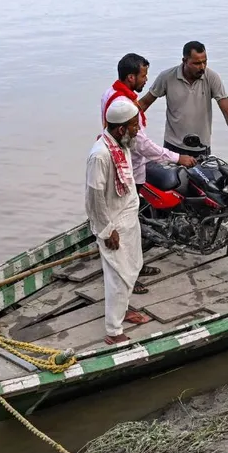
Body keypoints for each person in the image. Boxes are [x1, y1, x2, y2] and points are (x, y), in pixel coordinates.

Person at [101, 53, 197, 283]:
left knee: (132, 224)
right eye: (143, 76)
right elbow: (141, 144)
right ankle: (128, 276)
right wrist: (176, 157)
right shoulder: (123, 105)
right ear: (131, 77)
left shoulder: (111, 94)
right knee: (127, 226)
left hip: (128, 166)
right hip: (129, 171)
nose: (146, 80)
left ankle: (135, 266)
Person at [86, 99, 152, 344]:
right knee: (117, 276)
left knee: (132, 267)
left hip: (128, 218)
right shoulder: (100, 155)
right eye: (134, 125)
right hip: (112, 224)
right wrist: (106, 230)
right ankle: (114, 331)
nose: (138, 129)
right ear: (121, 128)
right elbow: (94, 196)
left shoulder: (121, 143)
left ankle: (124, 311)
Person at [138, 41, 228, 158]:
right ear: (184, 61)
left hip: (202, 148)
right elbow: (145, 103)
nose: (202, 67)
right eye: (196, 63)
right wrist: (124, 122)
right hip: (173, 147)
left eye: (204, 62)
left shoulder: (211, 78)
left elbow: (227, 110)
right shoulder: (167, 77)